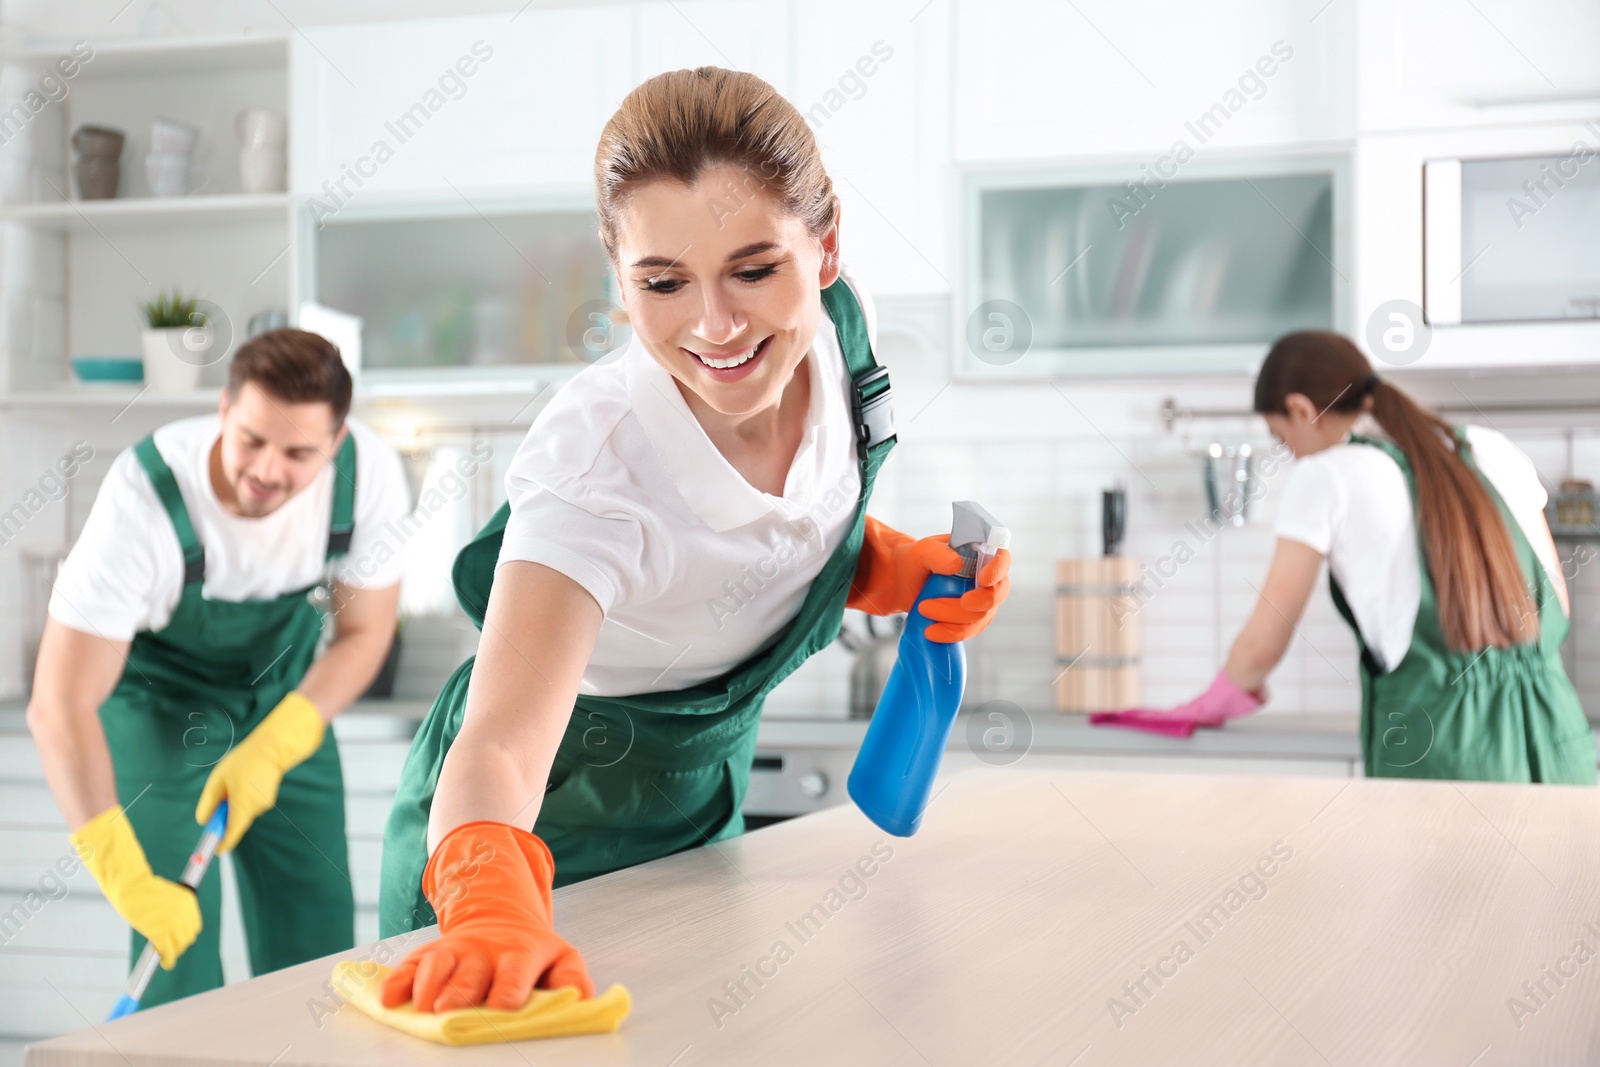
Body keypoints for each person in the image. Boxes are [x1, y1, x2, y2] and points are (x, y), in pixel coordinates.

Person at [376, 67, 1013, 1015]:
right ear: (618, 278)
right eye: (663, 282)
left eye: (755, 270)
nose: (716, 326)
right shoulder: (596, 459)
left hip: (699, 809)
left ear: (827, 247)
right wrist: (486, 908)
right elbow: (502, 748)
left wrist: (882, 567)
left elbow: (774, 535)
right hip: (533, 826)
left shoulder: (842, 334)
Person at [27, 328, 412, 1007]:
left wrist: (279, 743)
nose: (267, 469)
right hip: (160, 706)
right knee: (173, 945)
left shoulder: (369, 477)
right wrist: (123, 875)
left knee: (317, 927)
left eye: (298, 453)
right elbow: (59, 703)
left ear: (337, 441)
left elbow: (363, 634)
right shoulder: (144, 498)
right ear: (225, 410)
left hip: (285, 698)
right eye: (252, 440)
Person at [1093, 331, 1591, 783]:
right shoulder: (1489, 447)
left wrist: (1208, 704)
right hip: (1559, 735)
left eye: (1281, 437)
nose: (1291, 452)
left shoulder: (1327, 476)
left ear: (1302, 410)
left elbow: (1261, 649)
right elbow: (1558, 607)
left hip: (1448, 749)